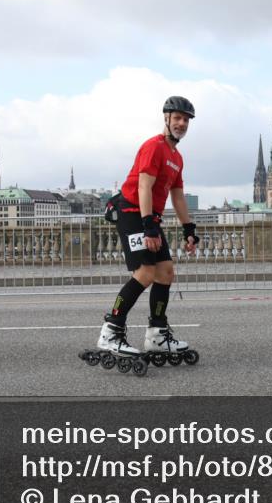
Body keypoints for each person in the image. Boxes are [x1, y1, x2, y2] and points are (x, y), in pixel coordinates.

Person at [85, 96, 201, 372]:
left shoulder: (177, 158)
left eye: (186, 120)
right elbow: (144, 187)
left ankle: (157, 335)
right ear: (166, 118)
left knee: (165, 272)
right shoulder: (153, 147)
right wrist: (148, 225)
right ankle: (111, 331)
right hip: (132, 212)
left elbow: (178, 196)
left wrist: (189, 229)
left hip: (149, 217)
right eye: (177, 118)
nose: (182, 123)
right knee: (146, 272)